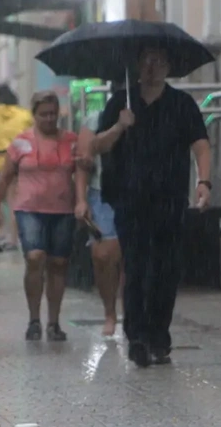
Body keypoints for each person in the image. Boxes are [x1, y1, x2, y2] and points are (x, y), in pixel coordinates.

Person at [93, 47, 212, 368]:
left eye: (159, 61)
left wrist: (205, 181)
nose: (152, 67)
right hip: (129, 199)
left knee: (166, 270)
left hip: (170, 199)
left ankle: (160, 334)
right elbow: (97, 145)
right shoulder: (121, 102)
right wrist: (120, 126)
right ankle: (138, 337)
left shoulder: (181, 104)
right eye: (146, 61)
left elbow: (200, 143)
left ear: (168, 66)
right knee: (135, 268)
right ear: (137, 66)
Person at [0, 91, 77, 342]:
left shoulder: (70, 141)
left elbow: (81, 172)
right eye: (43, 114)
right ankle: (34, 319)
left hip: (63, 209)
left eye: (53, 114)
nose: (49, 119)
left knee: (59, 264)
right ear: (34, 115)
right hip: (29, 208)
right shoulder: (21, 143)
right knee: (35, 257)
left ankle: (53, 322)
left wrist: (82, 201)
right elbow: (4, 178)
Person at [76, 97, 124, 337]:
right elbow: (84, 161)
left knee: (130, 253)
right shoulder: (96, 118)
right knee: (103, 254)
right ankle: (110, 311)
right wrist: (81, 199)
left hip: (138, 190)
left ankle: (133, 311)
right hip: (102, 191)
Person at [0, 85, 33, 250]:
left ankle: (0, 234)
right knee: (14, 203)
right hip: (18, 164)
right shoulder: (24, 116)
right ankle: (14, 239)